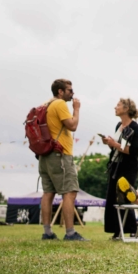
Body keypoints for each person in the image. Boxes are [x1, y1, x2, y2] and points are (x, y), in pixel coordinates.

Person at [38, 79, 85, 241]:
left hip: (45, 155)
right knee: (70, 192)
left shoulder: (46, 105)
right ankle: (70, 233)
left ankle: (47, 232)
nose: (72, 93)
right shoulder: (59, 104)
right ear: (60, 91)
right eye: (70, 90)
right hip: (60, 155)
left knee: (48, 193)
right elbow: (72, 125)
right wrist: (76, 109)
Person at [102, 98, 138, 240]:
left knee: (125, 196)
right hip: (115, 166)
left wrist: (114, 144)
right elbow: (117, 147)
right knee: (113, 198)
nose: (115, 107)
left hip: (128, 168)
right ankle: (117, 230)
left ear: (126, 109)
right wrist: (109, 143)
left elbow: (133, 150)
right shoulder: (118, 125)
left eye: (118, 105)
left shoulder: (135, 128)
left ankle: (132, 230)